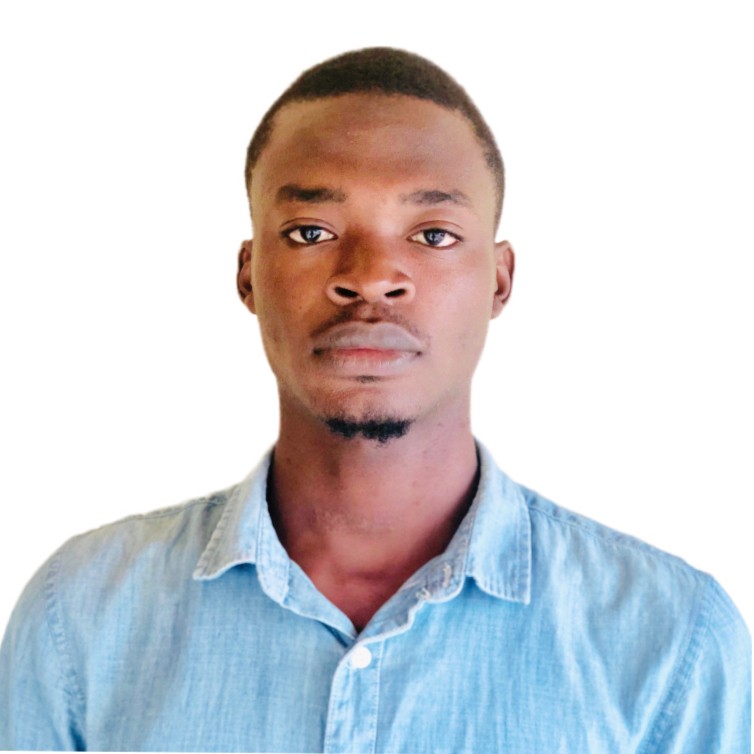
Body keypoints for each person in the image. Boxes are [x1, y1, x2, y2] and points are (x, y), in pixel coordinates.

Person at [0, 47, 749, 752]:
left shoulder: (671, 641)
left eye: (432, 234)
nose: (369, 276)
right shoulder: (82, 618)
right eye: (311, 230)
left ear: (499, 280)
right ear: (249, 275)